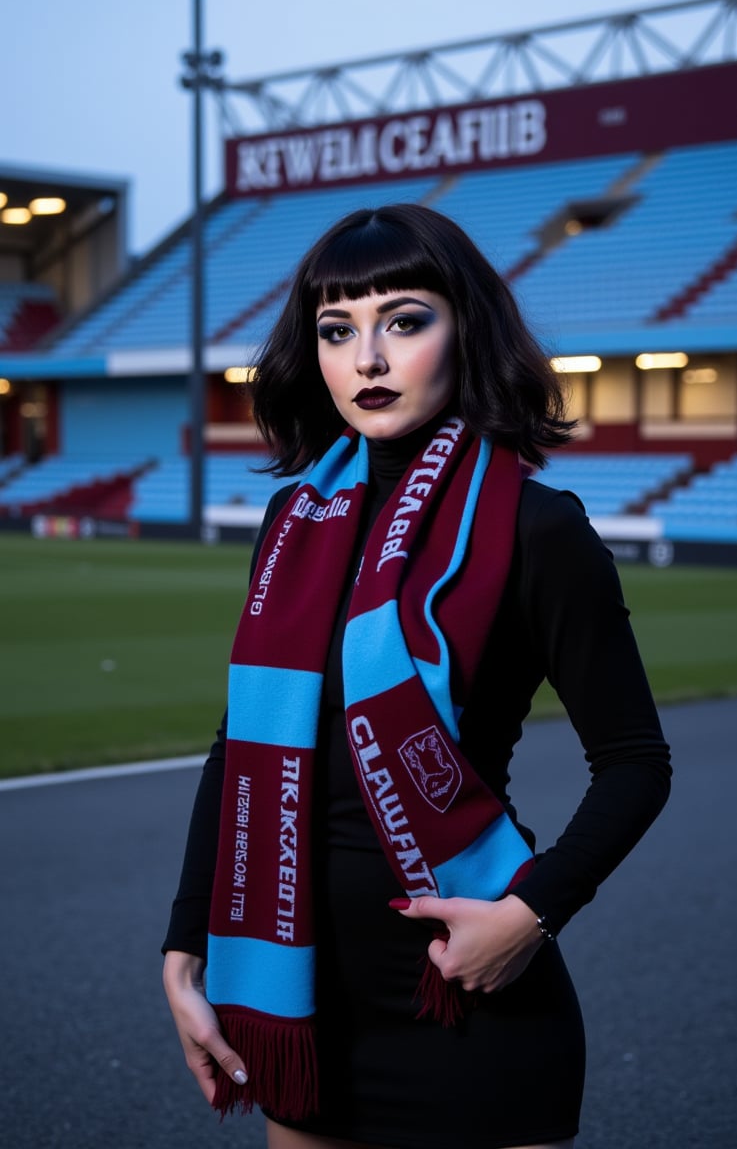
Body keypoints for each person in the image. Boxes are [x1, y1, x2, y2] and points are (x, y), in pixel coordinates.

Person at [162, 203, 671, 1149]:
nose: (369, 359)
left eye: (404, 320)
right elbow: (241, 747)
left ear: (463, 328)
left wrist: (530, 916)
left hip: (470, 990)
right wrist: (187, 943)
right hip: (299, 991)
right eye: (337, 330)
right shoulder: (290, 526)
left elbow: (637, 763)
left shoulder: (538, 528)